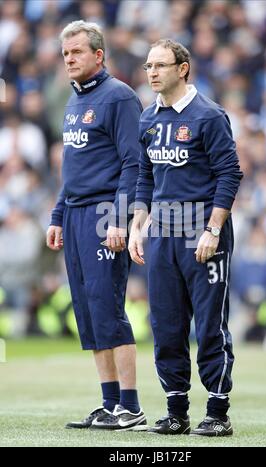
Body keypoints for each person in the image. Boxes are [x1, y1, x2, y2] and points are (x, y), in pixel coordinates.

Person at [129, 39, 243, 436]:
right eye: (148, 66)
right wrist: (137, 224)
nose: (152, 72)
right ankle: (176, 410)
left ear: (183, 68)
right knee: (165, 324)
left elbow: (230, 175)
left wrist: (213, 229)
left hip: (201, 231)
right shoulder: (147, 118)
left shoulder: (209, 116)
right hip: (161, 231)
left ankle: (218, 411)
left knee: (210, 325)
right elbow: (145, 175)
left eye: (160, 65)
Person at [46, 20, 147, 431]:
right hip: (74, 214)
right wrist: (56, 215)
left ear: (99, 55)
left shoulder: (119, 97)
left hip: (105, 213)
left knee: (108, 308)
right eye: (66, 54)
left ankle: (131, 406)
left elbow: (133, 163)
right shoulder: (74, 100)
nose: (69, 59)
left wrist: (120, 219)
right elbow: (73, 168)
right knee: (88, 313)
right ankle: (108, 404)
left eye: (77, 53)